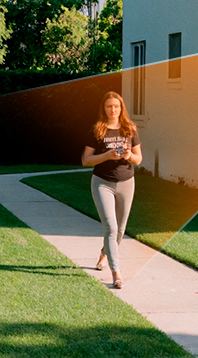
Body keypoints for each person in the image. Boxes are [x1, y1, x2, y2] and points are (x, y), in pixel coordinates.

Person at [80, 91, 141, 289]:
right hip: (102, 182)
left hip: (126, 182)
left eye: (116, 106)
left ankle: (104, 253)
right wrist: (106, 156)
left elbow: (139, 159)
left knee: (120, 229)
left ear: (121, 108)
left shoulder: (129, 129)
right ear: (104, 109)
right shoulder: (97, 130)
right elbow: (85, 160)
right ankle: (116, 273)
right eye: (109, 106)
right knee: (111, 227)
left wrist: (128, 156)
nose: (113, 109)